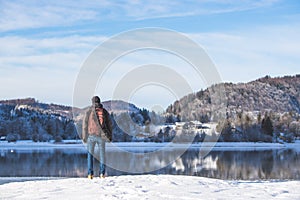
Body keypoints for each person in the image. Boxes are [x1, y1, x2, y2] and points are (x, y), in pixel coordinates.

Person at [82, 96, 112, 179]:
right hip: (101, 136)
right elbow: (109, 124)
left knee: (90, 156)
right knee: (102, 156)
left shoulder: (88, 111)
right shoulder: (104, 111)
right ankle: (102, 174)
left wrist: (84, 137)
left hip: (91, 136)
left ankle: (90, 174)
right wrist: (109, 136)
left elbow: (85, 125)